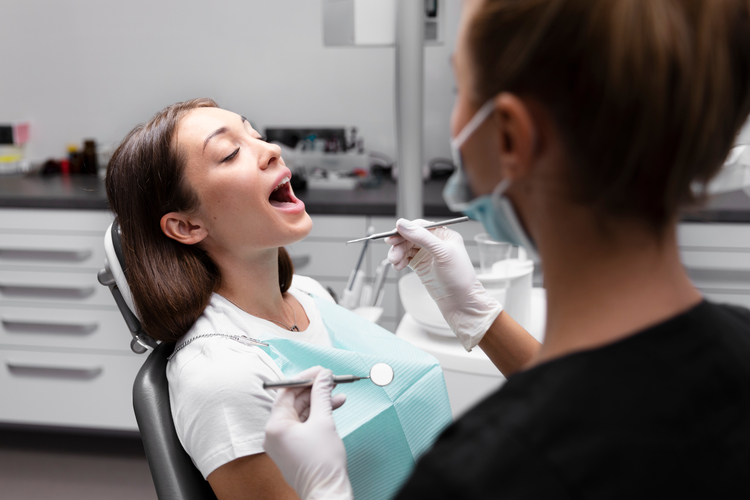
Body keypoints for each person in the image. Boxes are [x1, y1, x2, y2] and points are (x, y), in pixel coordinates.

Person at [263, 0, 750, 498]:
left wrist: (324, 489)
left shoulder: (476, 478)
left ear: (511, 136)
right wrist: (481, 317)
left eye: (461, 90)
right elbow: (611, 403)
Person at [105, 99, 452, 500]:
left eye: (255, 134)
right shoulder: (220, 379)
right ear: (186, 225)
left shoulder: (307, 292)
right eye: (230, 152)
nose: (270, 149)